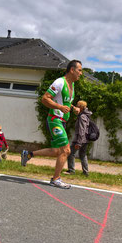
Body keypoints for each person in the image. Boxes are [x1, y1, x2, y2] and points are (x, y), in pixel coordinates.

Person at [21, 59, 83, 188]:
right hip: (55, 119)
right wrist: (59, 107)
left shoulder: (71, 86)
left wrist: (73, 108)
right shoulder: (60, 82)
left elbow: (65, 101)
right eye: (80, 70)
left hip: (62, 121)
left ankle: (29, 154)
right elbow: (45, 99)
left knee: (57, 151)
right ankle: (56, 179)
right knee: (66, 150)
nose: (81, 73)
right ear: (72, 70)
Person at [65, 100, 92, 176]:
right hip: (85, 139)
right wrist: (73, 107)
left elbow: (81, 130)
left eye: (77, 105)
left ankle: (71, 170)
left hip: (79, 139)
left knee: (71, 153)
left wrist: (79, 142)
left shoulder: (82, 117)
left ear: (81, 107)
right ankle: (86, 173)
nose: (76, 107)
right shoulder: (85, 115)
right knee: (83, 155)